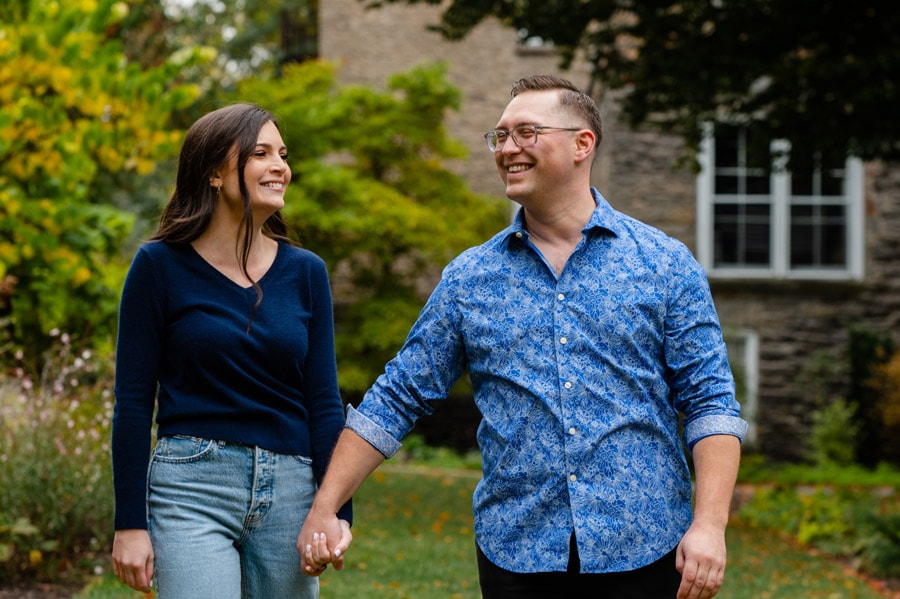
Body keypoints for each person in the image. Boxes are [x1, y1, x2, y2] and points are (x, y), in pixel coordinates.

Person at [299, 75, 747, 599]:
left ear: (583, 143)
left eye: (527, 132)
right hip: (519, 553)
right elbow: (397, 397)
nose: (508, 148)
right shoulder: (470, 279)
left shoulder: (664, 263)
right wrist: (325, 506)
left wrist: (710, 525)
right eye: (500, 136)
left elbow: (710, 401)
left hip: (648, 547)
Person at [111, 103, 351, 599]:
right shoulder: (158, 266)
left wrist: (335, 511)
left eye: (282, 153)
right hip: (191, 487)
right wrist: (129, 524)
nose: (280, 165)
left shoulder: (307, 272)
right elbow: (133, 402)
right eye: (261, 153)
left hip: (291, 489)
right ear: (216, 173)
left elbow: (325, 403)